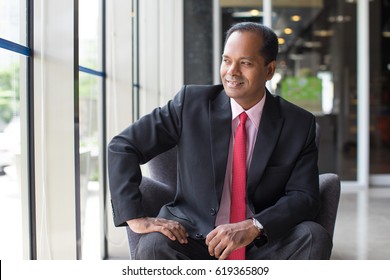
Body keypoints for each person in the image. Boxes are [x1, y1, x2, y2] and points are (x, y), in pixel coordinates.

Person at [108, 22, 332, 260]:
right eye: (227, 60)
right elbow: (123, 146)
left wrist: (254, 226)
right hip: (192, 238)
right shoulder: (190, 104)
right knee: (154, 246)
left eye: (245, 63)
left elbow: (304, 197)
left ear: (269, 70)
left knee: (313, 236)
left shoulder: (298, 124)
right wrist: (135, 218)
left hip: (260, 243)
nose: (232, 71)